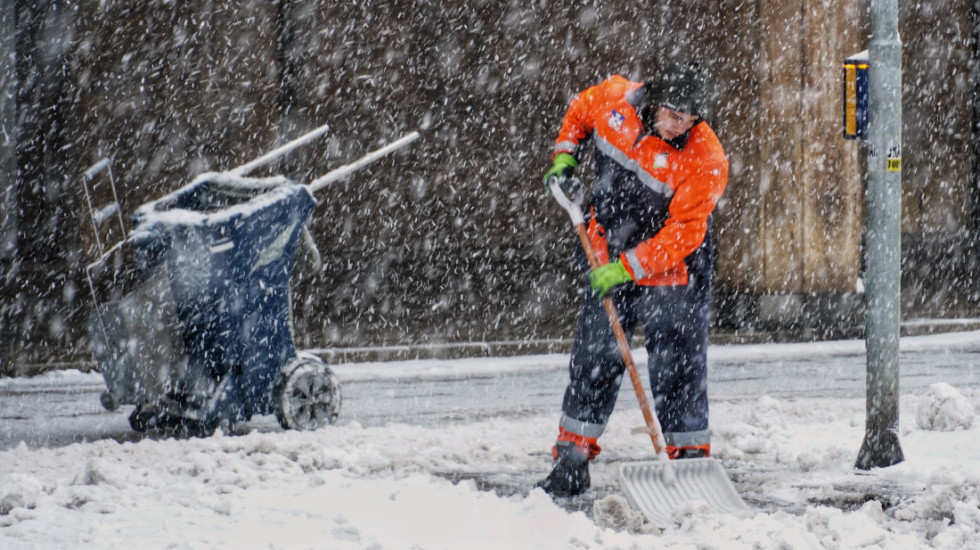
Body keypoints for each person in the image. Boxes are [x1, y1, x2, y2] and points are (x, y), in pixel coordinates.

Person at [537, 60, 729, 497]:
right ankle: (571, 459)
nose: (680, 125)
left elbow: (683, 234)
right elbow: (579, 114)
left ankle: (690, 464)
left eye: (690, 118)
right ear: (654, 102)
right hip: (608, 249)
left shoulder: (707, 158)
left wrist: (628, 268)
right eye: (674, 114)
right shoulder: (615, 101)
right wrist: (565, 156)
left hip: (674, 269)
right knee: (594, 355)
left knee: (678, 367)